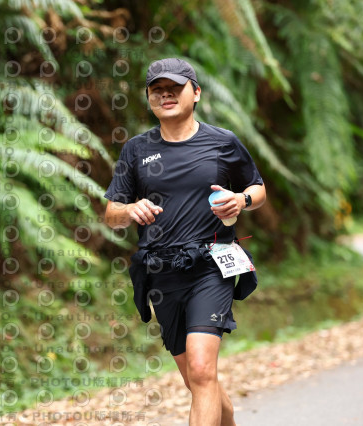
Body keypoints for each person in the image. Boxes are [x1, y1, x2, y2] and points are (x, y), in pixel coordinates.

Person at [104, 58, 266, 426]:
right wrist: (130, 210)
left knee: (202, 369)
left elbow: (257, 188)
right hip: (161, 272)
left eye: (174, 88)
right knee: (198, 380)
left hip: (212, 263)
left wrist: (241, 199)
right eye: (157, 90)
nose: (166, 95)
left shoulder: (223, 142)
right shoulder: (136, 149)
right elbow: (111, 213)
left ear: (196, 93)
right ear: (149, 98)